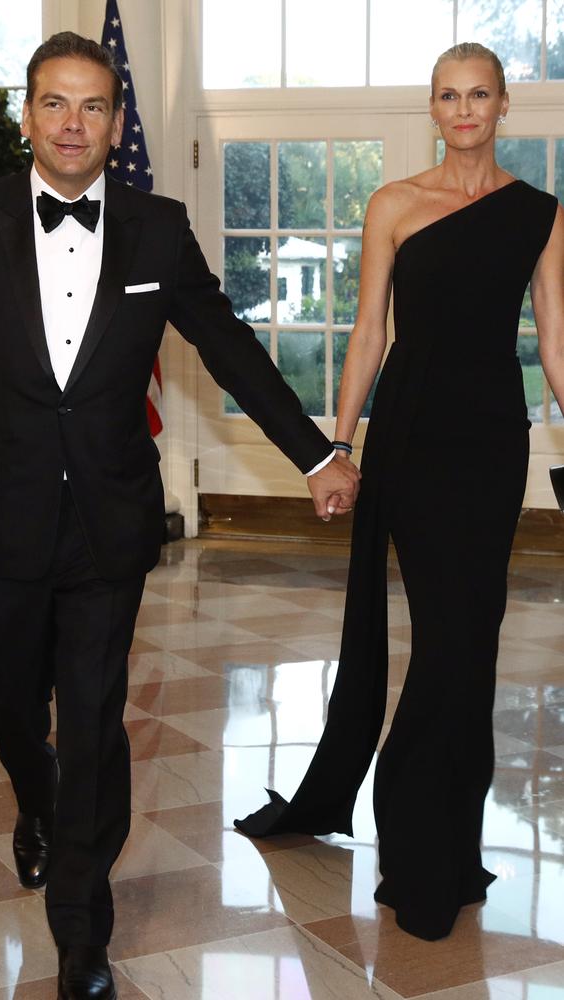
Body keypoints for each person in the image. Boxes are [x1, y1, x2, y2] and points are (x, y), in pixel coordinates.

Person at [0, 32, 359, 1000]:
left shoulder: (157, 228)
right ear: (26, 114)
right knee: (2, 688)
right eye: (54, 103)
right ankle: (35, 801)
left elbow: (228, 346)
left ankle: (82, 927)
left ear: (115, 124)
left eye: (93, 106)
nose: (73, 123)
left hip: (109, 520)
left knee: (95, 719)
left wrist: (317, 451)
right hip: (2, 511)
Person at [235, 42, 564, 941]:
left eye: (480, 95)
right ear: (434, 106)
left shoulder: (540, 213)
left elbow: (557, 340)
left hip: (494, 439)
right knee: (448, 641)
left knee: (474, 640)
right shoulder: (393, 204)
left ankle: (448, 846)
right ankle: (418, 844)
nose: (464, 110)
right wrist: (338, 446)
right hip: (412, 440)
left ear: (505, 106)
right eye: (449, 96)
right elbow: (370, 333)